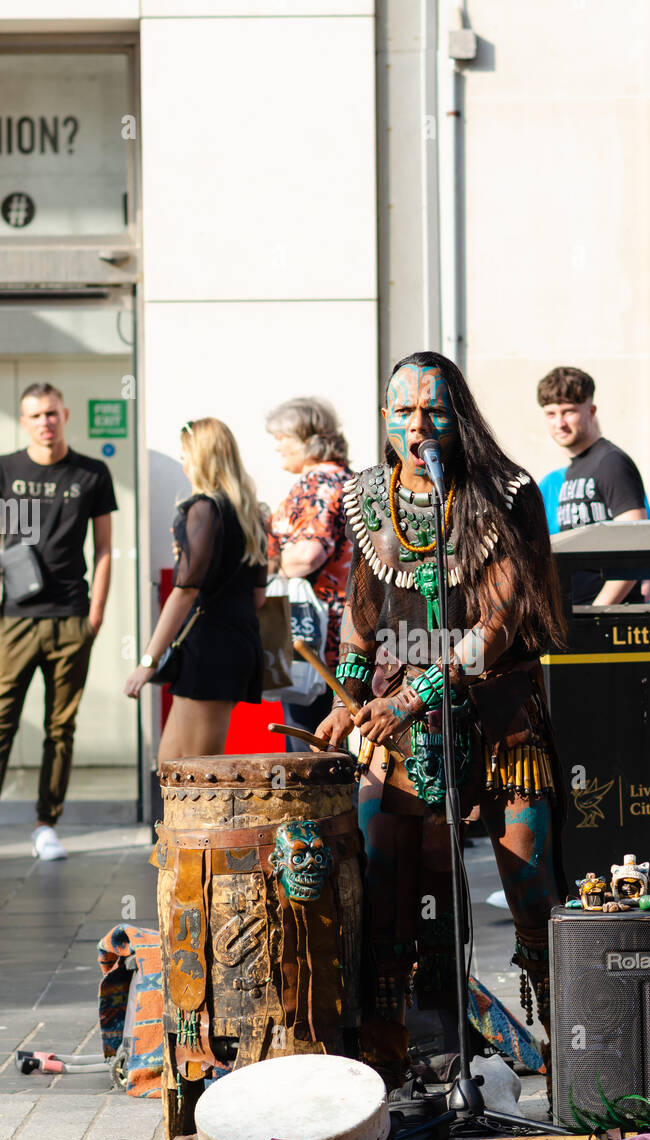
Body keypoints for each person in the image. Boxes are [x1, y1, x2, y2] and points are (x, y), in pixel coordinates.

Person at [316, 350, 567, 1092]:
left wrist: (409, 696)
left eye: (433, 410)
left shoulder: (503, 492)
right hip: (401, 732)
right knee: (388, 887)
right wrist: (345, 696)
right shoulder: (365, 497)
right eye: (403, 410)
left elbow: (492, 628)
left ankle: (571, 1050)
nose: (416, 425)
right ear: (385, 417)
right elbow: (360, 624)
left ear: (459, 415)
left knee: (529, 886)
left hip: (499, 721)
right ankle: (395, 1066)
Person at [0, 382, 116, 860]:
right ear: (23, 421)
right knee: (2, 718)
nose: (45, 422)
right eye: (35, 416)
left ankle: (46, 824)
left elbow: (105, 547)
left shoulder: (92, 473)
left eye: (51, 413)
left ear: (64, 414)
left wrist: (96, 614)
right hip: (15, 618)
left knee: (60, 727)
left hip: (72, 617)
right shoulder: (6, 470)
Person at [123, 418, 268, 764]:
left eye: (186, 456)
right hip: (234, 645)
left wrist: (147, 662)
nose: (184, 465)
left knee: (197, 775)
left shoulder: (202, 509)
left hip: (208, 651)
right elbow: (258, 597)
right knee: (172, 766)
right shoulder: (251, 513)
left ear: (202, 459)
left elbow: (184, 591)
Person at [265, 397, 353, 737]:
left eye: (283, 438)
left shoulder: (316, 483)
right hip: (348, 633)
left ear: (308, 440)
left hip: (313, 634)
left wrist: (273, 563)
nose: (277, 446)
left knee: (309, 745)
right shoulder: (348, 479)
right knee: (338, 739)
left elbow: (308, 555)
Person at [536, 365, 649, 604]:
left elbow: (637, 545)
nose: (560, 423)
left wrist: (599, 611)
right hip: (577, 615)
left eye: (569, 412)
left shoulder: (611, 462)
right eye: (551, 414)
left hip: (608, 624)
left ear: (591, 411)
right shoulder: (574, 470)